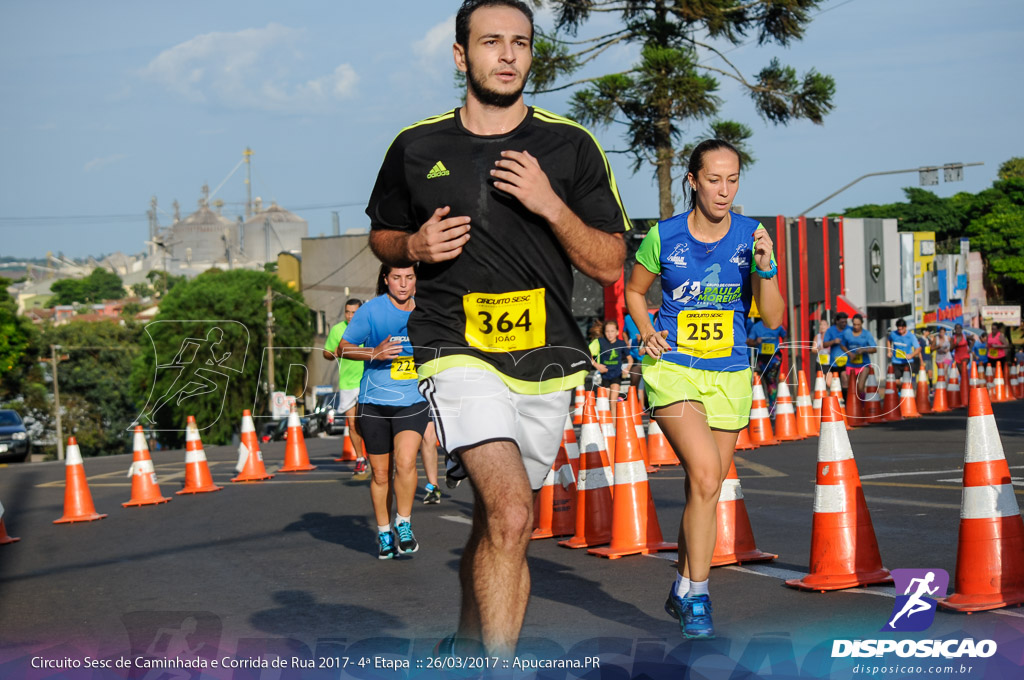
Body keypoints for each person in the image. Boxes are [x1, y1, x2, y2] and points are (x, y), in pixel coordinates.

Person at [365, 0, 628, 656]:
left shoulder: (570, 147)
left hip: (547, 357)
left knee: (496, 522)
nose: (507, 55)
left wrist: (550, 204)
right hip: (455, 347)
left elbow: (610, 260)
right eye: (491, 42)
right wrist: (414, 249)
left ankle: (463, 645)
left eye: (520, 42)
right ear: (462, 56)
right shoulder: (416, 146)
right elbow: (383, 237)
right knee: (513, 513)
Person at [625, 138, 784, 640]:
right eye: (713, 179)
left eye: (732, 179)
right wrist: (645, 329)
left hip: (730, 372)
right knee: (707, 475)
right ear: (692, 181)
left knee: (705, 488)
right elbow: (634, 289)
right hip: (673, 369)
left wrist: (766, 267)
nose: (724, 189)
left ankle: (680, 585)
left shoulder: (752, 235)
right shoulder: (663, 236)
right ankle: (699, 594)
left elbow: (774, 319)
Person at [336, 265, 430, 560]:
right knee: (380, 474)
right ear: (386, 279)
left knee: (405, 462)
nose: (403, 284)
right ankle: (384, 531)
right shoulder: (371, 311)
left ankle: (404, 523)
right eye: (397, 278)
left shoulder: (427, 310)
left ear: (417, 280)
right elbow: (343, 347)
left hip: (412, 399)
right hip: (373, 401)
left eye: (409, 277)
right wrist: (373, 352)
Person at [324, 299, 368, 478]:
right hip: (348, 384)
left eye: (354, 312)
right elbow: (326, 353)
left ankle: (377, 456)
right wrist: (333, 352)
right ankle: (360, 459)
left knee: (370, 423)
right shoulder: (337, 330)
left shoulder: (368, 327)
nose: (350, 316)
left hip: (367, 381)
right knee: (352, 423)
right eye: (347, 312)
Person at [746, 317, 786, 408]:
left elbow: (784, 334)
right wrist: (756, 341)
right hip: (762, 357)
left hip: (775, 356)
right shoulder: (756, 327)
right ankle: (770, 401)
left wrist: (783, 343)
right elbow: (749, 341)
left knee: (771, 378)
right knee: (767, 379)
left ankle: (773, 405)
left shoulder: (777, 326)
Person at [590, 319, 632, 401]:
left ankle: (614, 413)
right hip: (605, 375)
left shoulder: (621, 344)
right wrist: (597, 365)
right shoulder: (600, 342)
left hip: (616, 375)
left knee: (613, 400)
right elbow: (587, 355)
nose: (610, 334)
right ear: (604, 332)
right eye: (607, 331)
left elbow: (630, 359)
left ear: (617, 332)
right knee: (607, 400)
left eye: (612, 331)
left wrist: (627, 369)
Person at [624, 309, 655, 405]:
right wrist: (627, 343)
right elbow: (624, 332)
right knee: (634, 383)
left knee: (649, 384)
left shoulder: (650, 316)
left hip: (649, 356)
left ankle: (646, 405)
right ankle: (632, 405)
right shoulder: (628, 318)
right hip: (635, 356)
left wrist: (642, 339)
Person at [841, 314, 877, 396]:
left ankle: (862, 405)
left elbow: (874, 349)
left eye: (858, 325)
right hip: (851, 364)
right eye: (854, 324)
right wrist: (849, 354)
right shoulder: (847, 333)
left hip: (864, 364)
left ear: (862, 324)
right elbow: (842, 345)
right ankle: (854, 406)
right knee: (852, 387)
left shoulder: (867, 334)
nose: (856, 326)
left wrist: (864, 350)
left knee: (860, 387)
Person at [822, 313, 850, 386]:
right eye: (842, 322)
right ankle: (837, 396)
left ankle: (845, 397)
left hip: (847, 361)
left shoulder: (849, 329)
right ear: (837, 321)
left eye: (845, 322)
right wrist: (833, 341)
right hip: (834, 362)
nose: (844, 324)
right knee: (831, 383)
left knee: (845, 380)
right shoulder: (830, 330)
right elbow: (824, 344)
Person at [951, 323, 971, 388]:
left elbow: (973, 339)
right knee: (961, 373)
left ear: (961, 329)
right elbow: (950, 349)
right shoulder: (953, 338)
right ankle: (964, 386)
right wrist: (956, 344)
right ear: (955, 330)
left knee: (964, 368)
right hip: (957, 356)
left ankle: (966, 385)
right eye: (957, 328)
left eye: (959, 328)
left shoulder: (965, 336)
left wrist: (970, 348)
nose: (958, 329)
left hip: (965, 355)